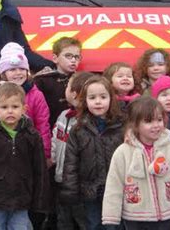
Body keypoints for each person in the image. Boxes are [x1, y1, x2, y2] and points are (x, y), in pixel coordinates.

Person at [0, 82, 50, 229]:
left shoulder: (32, 136)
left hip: (22, 199)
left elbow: (40, 171)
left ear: (24, 109)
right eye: (4, 107)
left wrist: (40, 200)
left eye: (15, 107)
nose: (10, 111)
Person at [102, 96, 170, 229]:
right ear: (135, 124)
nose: (156, 125)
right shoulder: (123, 152)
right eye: (149, 121)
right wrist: (111, 218)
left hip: (168, 216)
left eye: (159, 120)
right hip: (135, 218)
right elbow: (113, 187)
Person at [60, 75, 124, 230]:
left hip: (116, 190)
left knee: (114, 226)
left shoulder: (122, 126)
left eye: (103, 97)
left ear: (111, 99)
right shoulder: (78, 129)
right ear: (85, 101)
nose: (98, 101)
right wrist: (70, 191)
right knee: (93, 224)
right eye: (92, 97)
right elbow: (71, 163)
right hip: (89, 191)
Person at [52, 71, 93, 229]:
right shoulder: (64, 115)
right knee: (63, 219)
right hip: (61, 178)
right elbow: (55, 138)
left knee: (83, 220)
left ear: (74, 94)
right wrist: (52, 158)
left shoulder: (88, 122)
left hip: (80, 183)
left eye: (68, 85)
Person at [0, 42, 52, 160]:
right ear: (4, 74)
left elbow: (43, 125)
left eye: (22, 69)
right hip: (4, 152)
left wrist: (45, 153)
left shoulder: (36, 95)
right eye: (12, 69)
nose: (18, 73)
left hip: (30, 150)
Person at [34, 37, 82, 128]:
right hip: (50, 126)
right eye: (68, 56)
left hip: (74, 127)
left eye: (77, 57)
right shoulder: (42, 80)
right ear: (55, 58)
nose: (73, 60)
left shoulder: (80, 80)